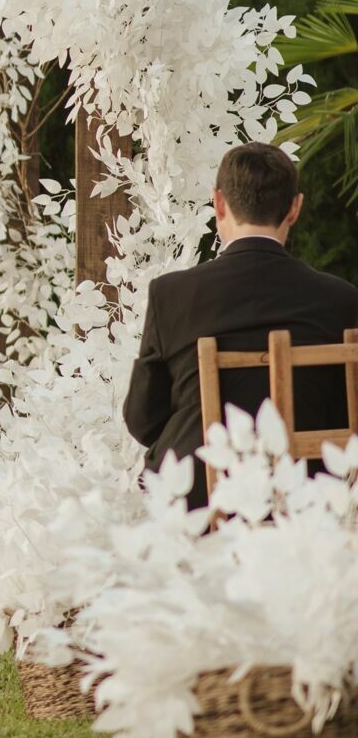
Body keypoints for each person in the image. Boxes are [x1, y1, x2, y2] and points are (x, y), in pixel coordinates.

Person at [125, 141, 358, 509]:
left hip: (197, 500)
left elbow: (143, 421)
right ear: (295, 208)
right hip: (306, 500)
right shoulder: (341, 300)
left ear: (219, 203)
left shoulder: (171, 295)